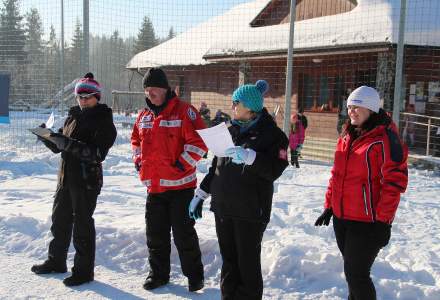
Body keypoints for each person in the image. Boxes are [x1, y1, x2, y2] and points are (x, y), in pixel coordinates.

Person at [189, 80, 289, 299]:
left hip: (251, 210)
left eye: (236, 102)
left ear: (250, 107)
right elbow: (217, 166)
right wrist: (201, 193)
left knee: (247, 264)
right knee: (229, 262)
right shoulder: (230, 130)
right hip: (224, 207)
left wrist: (251, 158)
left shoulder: (273, 136)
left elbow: (275, 169)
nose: (232, 106)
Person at [315, 86, 408, 300]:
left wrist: (383, 222)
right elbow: (337, 175)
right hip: (342, 217)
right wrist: (329, 205)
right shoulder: (347, 135)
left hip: (368, 222)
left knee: (357, 275)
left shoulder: (385, 139)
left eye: (358, 107)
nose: (352, 111)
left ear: (371, 109)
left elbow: (394, 182)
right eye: (349, 107)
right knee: (352, 274)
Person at [31, 73, 117, 286]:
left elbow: (97, 154)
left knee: (82, 225)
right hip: (65, 177)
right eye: (80, 96)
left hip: (87, 181)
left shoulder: (104, 121)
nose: (83, 100)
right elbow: (59, 145)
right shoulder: (73, 116)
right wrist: (47, 136)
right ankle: (56, 261)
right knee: (59, 221)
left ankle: (83, 271)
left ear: (97, 96)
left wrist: (65, 142)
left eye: (88, 96)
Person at [131, 68, 207, 292]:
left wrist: (180, 166)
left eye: (153, 89)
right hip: (154, 187)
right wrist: (138, 161)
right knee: (155, 235)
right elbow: (135, 140)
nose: (149, 94)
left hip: (180, 188)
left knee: (184, 235)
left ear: (165, 89)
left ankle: (195, 277)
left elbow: (200, 143)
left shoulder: (185, 112)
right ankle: (158, 275)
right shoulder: (144, 115)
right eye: (146, 90)